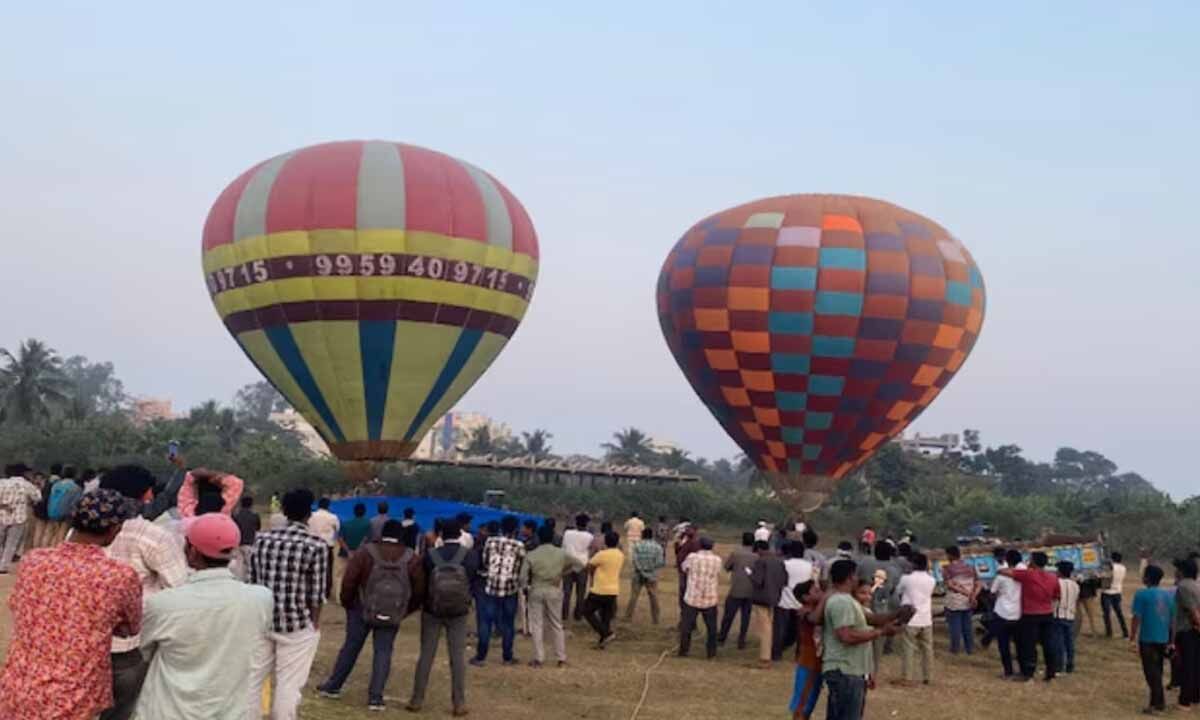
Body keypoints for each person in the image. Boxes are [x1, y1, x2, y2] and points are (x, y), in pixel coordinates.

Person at [0, 490, 142, 720]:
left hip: (19, 686)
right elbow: (130, 628)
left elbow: (18, 605)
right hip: (73, 699)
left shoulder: (33, 561)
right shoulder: (119, 575)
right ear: (115, 529)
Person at [133, 513, 273, 720]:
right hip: (230, 711)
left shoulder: (163, 603)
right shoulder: (261, 598)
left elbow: (142, 651)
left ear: (191, 551)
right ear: (233, 551)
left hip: (168, 711)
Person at [99, 465, 189, 720]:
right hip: (131, 645)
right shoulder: (154, 536)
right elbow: (178, 589)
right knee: (120, 710)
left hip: (84, 638)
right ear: (148, 495)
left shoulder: (82, 532)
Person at [318, 519, 423, 711]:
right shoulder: (411, 558)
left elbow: (350, 580)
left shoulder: (366, 552)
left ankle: (334, 686)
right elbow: (419, 590)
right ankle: (375, 697)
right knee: (383, 652)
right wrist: (404, 611)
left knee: (351, 647)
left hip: (361, 608)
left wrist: (348, 603)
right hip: (392, 611)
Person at [248, 488, 328, 720]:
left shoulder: (262, 539)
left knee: (252, 682)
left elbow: (252, 581)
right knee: (288, 686)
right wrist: (315, 624)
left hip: (262, 621)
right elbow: (317, 593)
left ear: (283, 510)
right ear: (308, 514)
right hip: (297, 625)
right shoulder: (316, 545)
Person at [406, 519, 476, 717]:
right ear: (461, 534)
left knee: (426, 655)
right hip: (459, 612)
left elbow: (422, 582)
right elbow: (471, 580)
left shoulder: (430, 556)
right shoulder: (469, 556)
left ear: (441, 535)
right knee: (457, 658)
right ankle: (459, 703)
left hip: (432, 610)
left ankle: (417, 699)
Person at [822, 559, 899, 720]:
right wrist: (880, 632)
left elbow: (872, 619)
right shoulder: (841, 602)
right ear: (850, 577)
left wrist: (898, 615)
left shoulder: (849, 601)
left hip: (852, 671)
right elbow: (846, 635)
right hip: (844, 670)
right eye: (856, 575)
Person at [472, 514, 526, 666]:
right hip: (510, 589)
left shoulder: (490, 541)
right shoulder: (520, 546)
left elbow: (485, 561)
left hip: (490, 587)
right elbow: (522, 566)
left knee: (485, 621)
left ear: (501, 527)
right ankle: (507, 657)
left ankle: (480, 657)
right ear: (516, 529)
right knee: (508, 624)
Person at [998, 551, 1061, 682]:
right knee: (1048, 644)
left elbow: (1003, 571)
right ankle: (1051, 673)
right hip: (1047, 613)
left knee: (1028, 645)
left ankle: (1028, 673)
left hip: (1030, 614)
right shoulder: (1053, 577)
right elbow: (1056, 596)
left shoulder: (1028, 575)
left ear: (1033, 562)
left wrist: (1025, 567)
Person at [521, 524, 575, 667]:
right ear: (553, 537)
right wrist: (561, 574)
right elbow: (578, 565)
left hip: (536, 589)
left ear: (538, 537)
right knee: (556, 624)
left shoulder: (531, 554)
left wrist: (525, 587)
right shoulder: (561, 553)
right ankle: (561, 658)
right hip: (554, 589)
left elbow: (522, 577)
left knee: (537, 624)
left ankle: (539, 658)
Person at [1131, 563, 1175, 714]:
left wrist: (1132, 637)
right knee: (1157, 671)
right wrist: (1171, 640)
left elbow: (1136, 617)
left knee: (1151, 673)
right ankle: (1152, 703)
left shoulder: (1141, 594)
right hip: (1163, 638)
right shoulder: (1168, 595)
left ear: (1147, 578)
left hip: (1148, 639)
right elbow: (1172, 619)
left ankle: (1159, 705)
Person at [894, 552, 935, 686]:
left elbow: (898, 591)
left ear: (913, 564)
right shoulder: (931, 579)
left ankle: (907, 677)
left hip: (910, 618)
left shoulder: (906, 578)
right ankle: (928, 676)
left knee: (908, 648)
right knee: (927, 649)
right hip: (926, 617)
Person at [679, 536, 723, 659]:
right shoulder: (717, 560)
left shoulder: (692, 557)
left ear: (699, 545)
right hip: (710, 597)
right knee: (712, 629)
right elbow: (718, 573)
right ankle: (711, 653)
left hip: (692, 597)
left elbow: (684, 568)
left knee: (686, 627)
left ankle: (684, 651)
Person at [984, 548, 1024, 677]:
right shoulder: (1025, 573)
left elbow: (992, 593)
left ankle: (1008, 672)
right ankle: (1022, 670)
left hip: (1002, 613)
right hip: (1018, 613)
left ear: (1006, 560)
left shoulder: (1001, 576)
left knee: (1004, 645)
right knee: (1020, 644)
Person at [750, 539, 788, 669]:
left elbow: (757, 581)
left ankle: (765, 657)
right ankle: (770, 653)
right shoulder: (779, 561)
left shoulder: (761, 561)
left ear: (760, 550)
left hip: (761, 597)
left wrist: (750, 575)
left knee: (765, 628)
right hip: (775, 597)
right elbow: (785, 580)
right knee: (770, 626)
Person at [775, 540, 815, 661]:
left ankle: (777, 653)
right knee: (800, 631)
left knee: (780, 629)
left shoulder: (785, 563)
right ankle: (799, 654)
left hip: (784, 600)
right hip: (801, 601)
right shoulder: (809, 565)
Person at [790, 580, 825, 720]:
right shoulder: (805, 613)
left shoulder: (817, 610)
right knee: (801, 706)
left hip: (817, 664)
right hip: (808, 664)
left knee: (808, 705)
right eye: (816, 592)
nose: (821, 594)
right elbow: (815, 619)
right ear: (805, 598)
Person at [584, 530, 624, 647]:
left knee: (587, 611)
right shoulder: (620, 555)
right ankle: (602, 641)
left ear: (605, 541)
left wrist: (592, 575)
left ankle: (606, 633)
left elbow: (589, 565)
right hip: (613, 590)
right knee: (605, 617)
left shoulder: (602, 554)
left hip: (599, 588)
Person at [0, 463, 41, 572]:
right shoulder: (26, 484)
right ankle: (3, 566)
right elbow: (37, 497)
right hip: (19, 516)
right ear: (23, 473)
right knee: (11, 543)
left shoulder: (2, 483)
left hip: (2, 514)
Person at [719, 532, 757, 648]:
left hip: (736, 589)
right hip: (751, 590)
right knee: (746, 617)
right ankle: (741, 640)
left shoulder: (736, 553)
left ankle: (722, 637)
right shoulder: (757, 555)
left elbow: (726, 567)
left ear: (742, 540)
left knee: (728, 615)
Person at [942, 545, 980, 655]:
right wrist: (973, 596)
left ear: (950, 555)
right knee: (968, 627)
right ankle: (970, 649)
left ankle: (955, 650)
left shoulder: (946, 568)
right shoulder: (970, 567)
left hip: (954, 602)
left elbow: (950, 586)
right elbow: (978, 583)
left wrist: (967, 594)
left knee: (955, 628)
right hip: (968, 602)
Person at [1174, 556, 1200, 709]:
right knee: (1196, 664)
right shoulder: (1196, 586)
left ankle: (1185, 701)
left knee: (1185, 666)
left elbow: (1192, 611)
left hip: (1187, 630)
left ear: (1182, 571)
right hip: (1195, 630)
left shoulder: (1183, 587)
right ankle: (1196, 696)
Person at [625, 526, 665, 624]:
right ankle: (655, 619)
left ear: (642, 535)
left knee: (633, 596)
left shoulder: (637, 546)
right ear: (652, 536)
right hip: (652, 575)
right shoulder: (657, 547)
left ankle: (628, 617)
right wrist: (649, 570)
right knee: (654, 597)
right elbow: (660, 562)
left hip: (638, 574)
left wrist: (641, 570)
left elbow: (634, 560)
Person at [561, 513, 594, 621]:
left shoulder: (567, 533)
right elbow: (590, 550)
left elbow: (564, 546)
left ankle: (564, 614)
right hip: (582, 565)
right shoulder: (590, 536)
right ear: (587, 524)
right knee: (580, 593)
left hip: (568, 564)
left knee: (566, 592)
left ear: (576, 522)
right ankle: (578, 615)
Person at [308, 497, 341, 600]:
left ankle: (312, 589)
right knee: (327, 569)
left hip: (312, 545)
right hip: (327, 545)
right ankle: (326, 592)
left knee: (311, 568)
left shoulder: (311, 516)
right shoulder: (333, 517)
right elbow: (338, 529)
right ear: (328, 506)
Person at [1054, 561, 1080, 674]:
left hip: (1058, 615)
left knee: (1059, 642)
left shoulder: (1056, 583)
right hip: (1070, 616)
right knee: (1069, 642)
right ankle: (1070, 664)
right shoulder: (1075, 585)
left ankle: (1059, 666)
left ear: (1059, 571)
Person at [46, 465, 83, 544]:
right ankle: (58, 550)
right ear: (75, 474)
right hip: (66, 513)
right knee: (62, 533)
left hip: (53, 511)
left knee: (54, 533)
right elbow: (75, 503)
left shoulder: (56, 485)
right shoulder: (76, 488)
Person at [675, 523, 702, 617]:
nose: (686, 532)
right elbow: (678, 551)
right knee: (684, 596)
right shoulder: (686, 541)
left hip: (688, 572)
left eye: (689, 530)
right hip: (684, 571)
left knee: (685, 596)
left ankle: (687, 620)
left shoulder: (694, 543)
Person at [232, 495, 261, 580]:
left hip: (238, 544)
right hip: (250, 543)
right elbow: (258, 528)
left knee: (239, 567)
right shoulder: (255, 515)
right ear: (251, 504)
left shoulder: (236, 515)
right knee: (250, 566)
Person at [1103, 551, 1130, 638]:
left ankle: (1109, 632)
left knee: (1107, 613)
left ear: (1112, 558)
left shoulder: (1110, 567)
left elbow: (1105, 576)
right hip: (1117, 591)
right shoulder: (1123, 568)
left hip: (1107, 592)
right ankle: (1125, 632)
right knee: (1119, 613)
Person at [1077, 572, 1102, 638]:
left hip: (1080, 592)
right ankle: (1093, 632)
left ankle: (1077, 631)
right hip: (1087, 593)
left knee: (1078, 614)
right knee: (1090, 614)